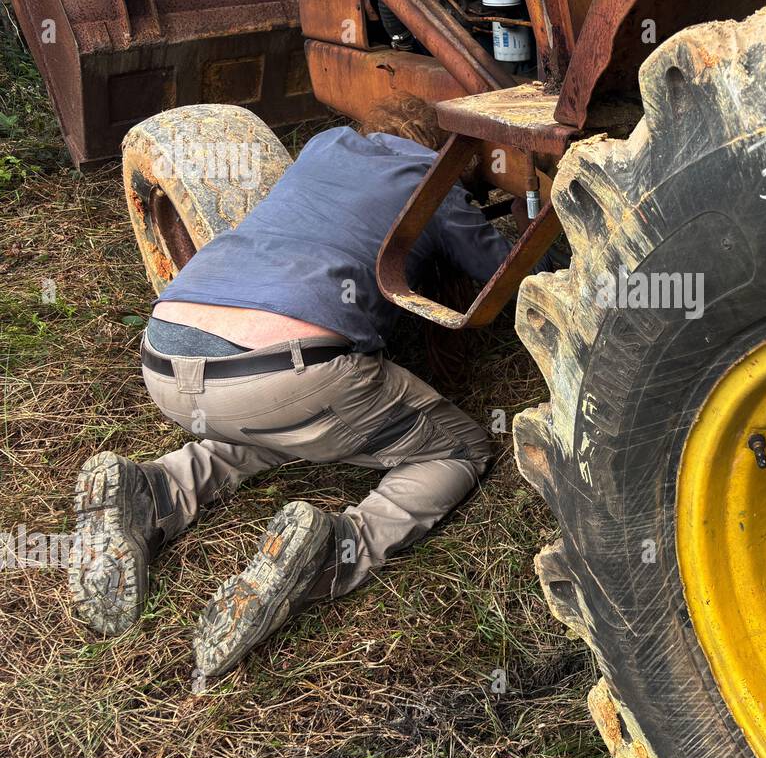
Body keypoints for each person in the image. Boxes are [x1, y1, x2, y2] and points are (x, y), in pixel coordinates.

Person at [69, 95, 532, 685]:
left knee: (284, 418)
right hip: (292, 369)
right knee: (458, 447)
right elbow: (505, 279)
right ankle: (334, 550)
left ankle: (155, 487)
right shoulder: (433, 178)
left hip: (167, 351)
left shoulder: (324, 145)